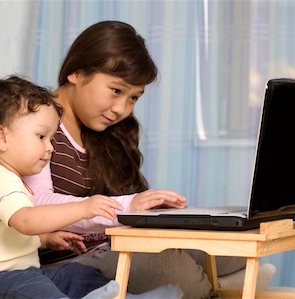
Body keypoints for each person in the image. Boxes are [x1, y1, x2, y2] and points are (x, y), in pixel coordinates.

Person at [23, 21, 245, 298]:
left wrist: (151, 212)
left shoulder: (107, 131)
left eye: (133, 98)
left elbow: (122, 211)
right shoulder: (35, 124)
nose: (121, 110)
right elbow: (35, 208)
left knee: (231, 249)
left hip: (116, 243)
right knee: (172, 267)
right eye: (116, 90)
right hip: (65, 264)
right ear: (76, 73)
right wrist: (128, 206)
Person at [0, 75, 122, 299]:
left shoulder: (11, 180)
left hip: (19, 275)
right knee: (32, 286)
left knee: (75, 274)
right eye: (41, 136)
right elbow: (26, 221)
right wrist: (83, 208)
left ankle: (123, 295)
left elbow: (11, 233)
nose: (50, 148)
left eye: (52, 139)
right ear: (0, 137)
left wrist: (45, 240)